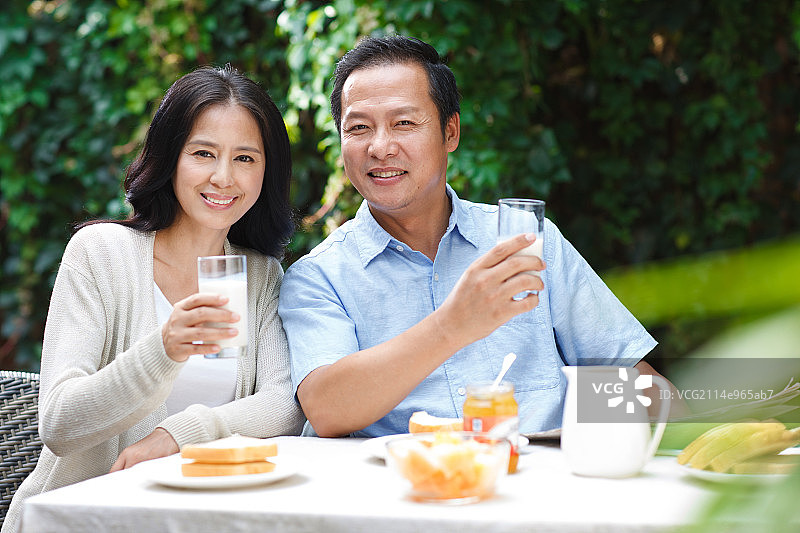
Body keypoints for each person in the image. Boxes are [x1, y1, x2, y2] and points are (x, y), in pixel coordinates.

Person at [278, 35, 667, 439]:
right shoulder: (318, 276)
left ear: (450, 133)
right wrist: (454, 324)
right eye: (358, 128)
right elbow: (326, 409)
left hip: (542, 488)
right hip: (401, 493)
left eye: (404, 123)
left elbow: (625, 376)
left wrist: (702, 432)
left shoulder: (527, 243)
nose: (380, 147)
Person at [2, 65, 304, 533]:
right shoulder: (101, 254)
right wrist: (162, 351)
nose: (224, 177)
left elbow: (283, 403)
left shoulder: (259, 274)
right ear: (170, 158)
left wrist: (176, 436)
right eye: (203, 153)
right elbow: (59, 423)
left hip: (194, 521)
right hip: (81, 521)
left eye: (246, 158)